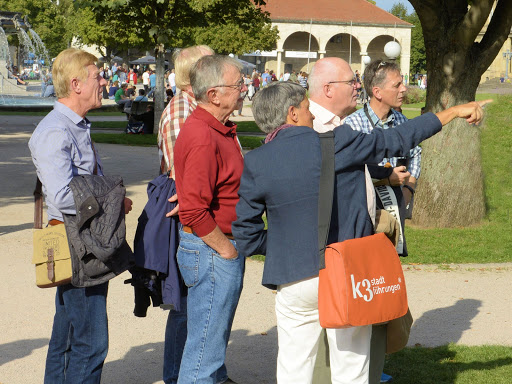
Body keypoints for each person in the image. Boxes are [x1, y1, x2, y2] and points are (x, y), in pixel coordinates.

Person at [232, 81, 488, 384]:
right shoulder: (337, 140)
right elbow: (399, 138)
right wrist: (454, 111)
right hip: (343, 271)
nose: (312, 113)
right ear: (292, 114)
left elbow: (246, 235)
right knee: (351, 368)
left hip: (291, 278)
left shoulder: (257, 160)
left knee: (293, 367)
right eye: (305, 106)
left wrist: (287, 247)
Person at [28, 48, 134, 384]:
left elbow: (78, 187)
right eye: (97, 75)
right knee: (90, 343)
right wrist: (111, 200)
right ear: (76, 84)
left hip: (84, 242)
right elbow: (60, 196)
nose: (104, 81)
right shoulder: (55, 131)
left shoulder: (73, 125)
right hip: (76, 245)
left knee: (69, 335)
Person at [344, 59, 421, 384]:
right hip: (363, 221)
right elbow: (353, 170)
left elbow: (415, 159)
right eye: (397, 84)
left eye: (403, 83)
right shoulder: (353, 124)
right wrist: (387, 178)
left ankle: (375, 362)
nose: (404, 89)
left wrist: (405, 189)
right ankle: (357, 363)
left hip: (393, 219)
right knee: (362, 289)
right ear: (377, 91)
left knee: (383, 289)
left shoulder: (403, 121)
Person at [173, 54, 247, 384]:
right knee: (204, 355)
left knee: (209, 347)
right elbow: (193, 210)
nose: (245, 89)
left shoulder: (216, 129)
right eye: (238, 84)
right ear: (214, 94)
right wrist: (226, 251)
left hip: (214, 249)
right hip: (212, 251)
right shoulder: (203, 134)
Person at [307, 56, 377, 383]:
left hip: (341, 250)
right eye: (351, 81)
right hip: (335, 254)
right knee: (348, 353)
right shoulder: (316, 131)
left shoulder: (336, 126)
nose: (357, 86)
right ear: (328, 88)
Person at [157, 45, 215, 384]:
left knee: (200, 305)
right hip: (189, 223)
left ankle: (204, 373)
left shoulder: (196, 109)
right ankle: (177, 376)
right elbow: (187, 183)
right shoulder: (181, 112)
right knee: (187, 307)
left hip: (198, 221)